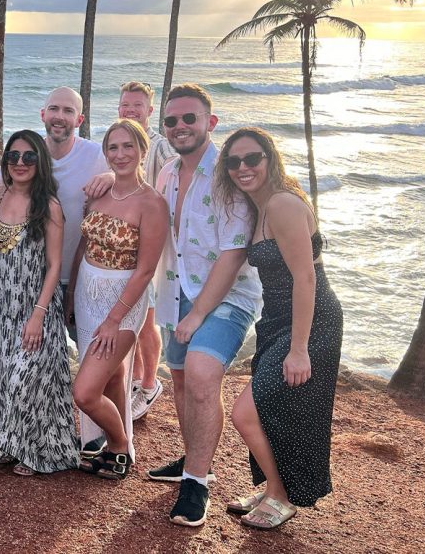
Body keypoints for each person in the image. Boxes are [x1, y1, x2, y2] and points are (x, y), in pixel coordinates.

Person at [214, 127, 344, 529]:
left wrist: (300, 348)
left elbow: (306, 278)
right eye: (234, 161)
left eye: (252, 158)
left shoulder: (282, 204)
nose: (243, 167)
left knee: (246, 413)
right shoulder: (261, 205)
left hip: (310, 321)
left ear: (270, 159)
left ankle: (281, 495)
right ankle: (274, 484)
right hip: (277, 320)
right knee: (273, 409)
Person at [147, 84, 263, 527]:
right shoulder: (168, 173)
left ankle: (196, 482)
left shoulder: (227, 171)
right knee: (180, 381)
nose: (180, 126)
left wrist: (198, 314)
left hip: (228, 295)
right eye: (172, 120)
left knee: (200, 377)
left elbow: (233, 253)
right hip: (176, 290)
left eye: (189, 118)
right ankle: (194, 458)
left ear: (209, 123)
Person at [0, 86, 111, 456]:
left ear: (79, 119)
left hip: (83, 274)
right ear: (43, 115)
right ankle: (32, 439)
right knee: (42, 365)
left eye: (68, 110)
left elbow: (128, 180)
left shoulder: (95, 155)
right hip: (34, 284)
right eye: (53, 108)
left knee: (93, 359)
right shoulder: (29, 153)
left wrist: (114, 178)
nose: (60, 116)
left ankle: (99, 440)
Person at [0, 130, 79, 476]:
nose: (20, 163)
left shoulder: (50, 206)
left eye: (29, 157)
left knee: (23, 377)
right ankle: (8, 443)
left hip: (33, 305)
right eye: (13, 156)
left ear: (40, 161)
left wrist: (39, 315)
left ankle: (36, 449)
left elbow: (55, 265)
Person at [66, 120, 168, 480]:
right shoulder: (99, 192)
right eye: (113, 147)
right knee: (111, 377)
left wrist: (113, 320)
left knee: (84, 391)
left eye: (128, 147)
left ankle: (121, 443)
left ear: (143, 150)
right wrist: (70, 293)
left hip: (122, 302)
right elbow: (83, 244)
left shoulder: (153, 204)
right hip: (87, 292)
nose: (120, 154)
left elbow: (145, 271)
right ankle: (112, 448)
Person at [117, 81, 176, 421]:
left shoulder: (159, 147)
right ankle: (137, 379)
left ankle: (151, 383)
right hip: (125, 247)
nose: (131, 110)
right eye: (126, 105)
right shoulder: (119, 143)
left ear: (150, 111)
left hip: (149, 247)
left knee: (146, 319)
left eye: (138, 105)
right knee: (133, 317)